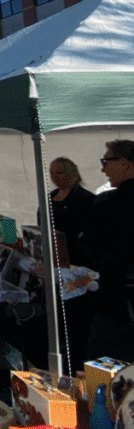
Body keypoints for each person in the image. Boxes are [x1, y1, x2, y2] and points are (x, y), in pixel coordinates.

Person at [80, 140, 134, 361]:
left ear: (123, 163)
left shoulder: (106, 203)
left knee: (103, 367)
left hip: (116, 301)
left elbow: (90, 250)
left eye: (106, 162)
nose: (103, 169)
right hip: (118, 296)